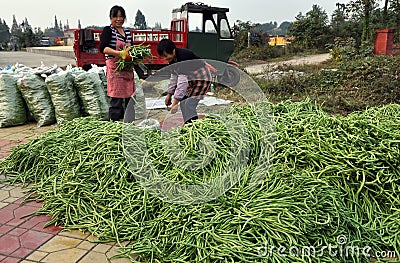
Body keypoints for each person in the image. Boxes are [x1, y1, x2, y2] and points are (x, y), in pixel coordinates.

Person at [157, 39, 212, 124]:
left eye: (165, 55)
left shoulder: (183, 57)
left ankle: (194, 127)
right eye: (162, 56)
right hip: (192, 80)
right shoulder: (172, 60)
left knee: (189, 104)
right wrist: (169, 94)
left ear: (173, 50)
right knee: (183, 102)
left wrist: (175, 103)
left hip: (202, 78)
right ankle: (188, 125)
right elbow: (174, 77)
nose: (165, 58)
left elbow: (182, 83)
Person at [100, 5, 136, 122]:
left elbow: (132, 48)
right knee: (116, 100)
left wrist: (134, 56)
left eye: (121, 16)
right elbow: (103, 48)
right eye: (116, 16)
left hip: (127, 68)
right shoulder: (108, 30)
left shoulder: (127, 32)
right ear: (111, 17)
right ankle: (113, 126)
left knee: (130, 99)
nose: (119, 19)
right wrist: (120, 54)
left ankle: (128, 126)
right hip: (115, 68)